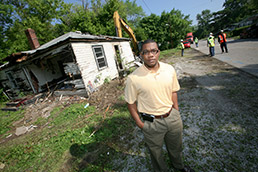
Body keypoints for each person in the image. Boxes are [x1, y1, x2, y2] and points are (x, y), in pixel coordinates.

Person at [124, 39, 195, 172]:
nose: (150, 55)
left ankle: (179, 166)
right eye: (146, 52)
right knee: (155, 153)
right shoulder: (133, 78)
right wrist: (140, 124)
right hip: (151, 123)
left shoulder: (169, 69)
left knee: (176, 147)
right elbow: (130, 102)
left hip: (172, 117)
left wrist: (176, 111)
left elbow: (173, 90)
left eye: (153, 51)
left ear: (158, 52)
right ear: (141, 55)